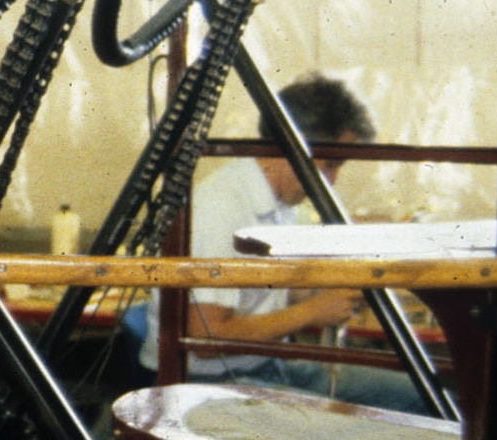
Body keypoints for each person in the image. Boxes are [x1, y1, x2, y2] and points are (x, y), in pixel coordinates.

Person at [138, 74, 429, 414]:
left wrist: (316, 293)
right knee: (347, 427)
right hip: (204, 385)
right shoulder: (223, 208)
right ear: (293, 146)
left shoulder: (278, 206)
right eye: (330, 164)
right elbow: (205, 335)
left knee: (416, 395)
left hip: (262, 367)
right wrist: (312, 311)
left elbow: (260, 296)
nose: (333, 181)